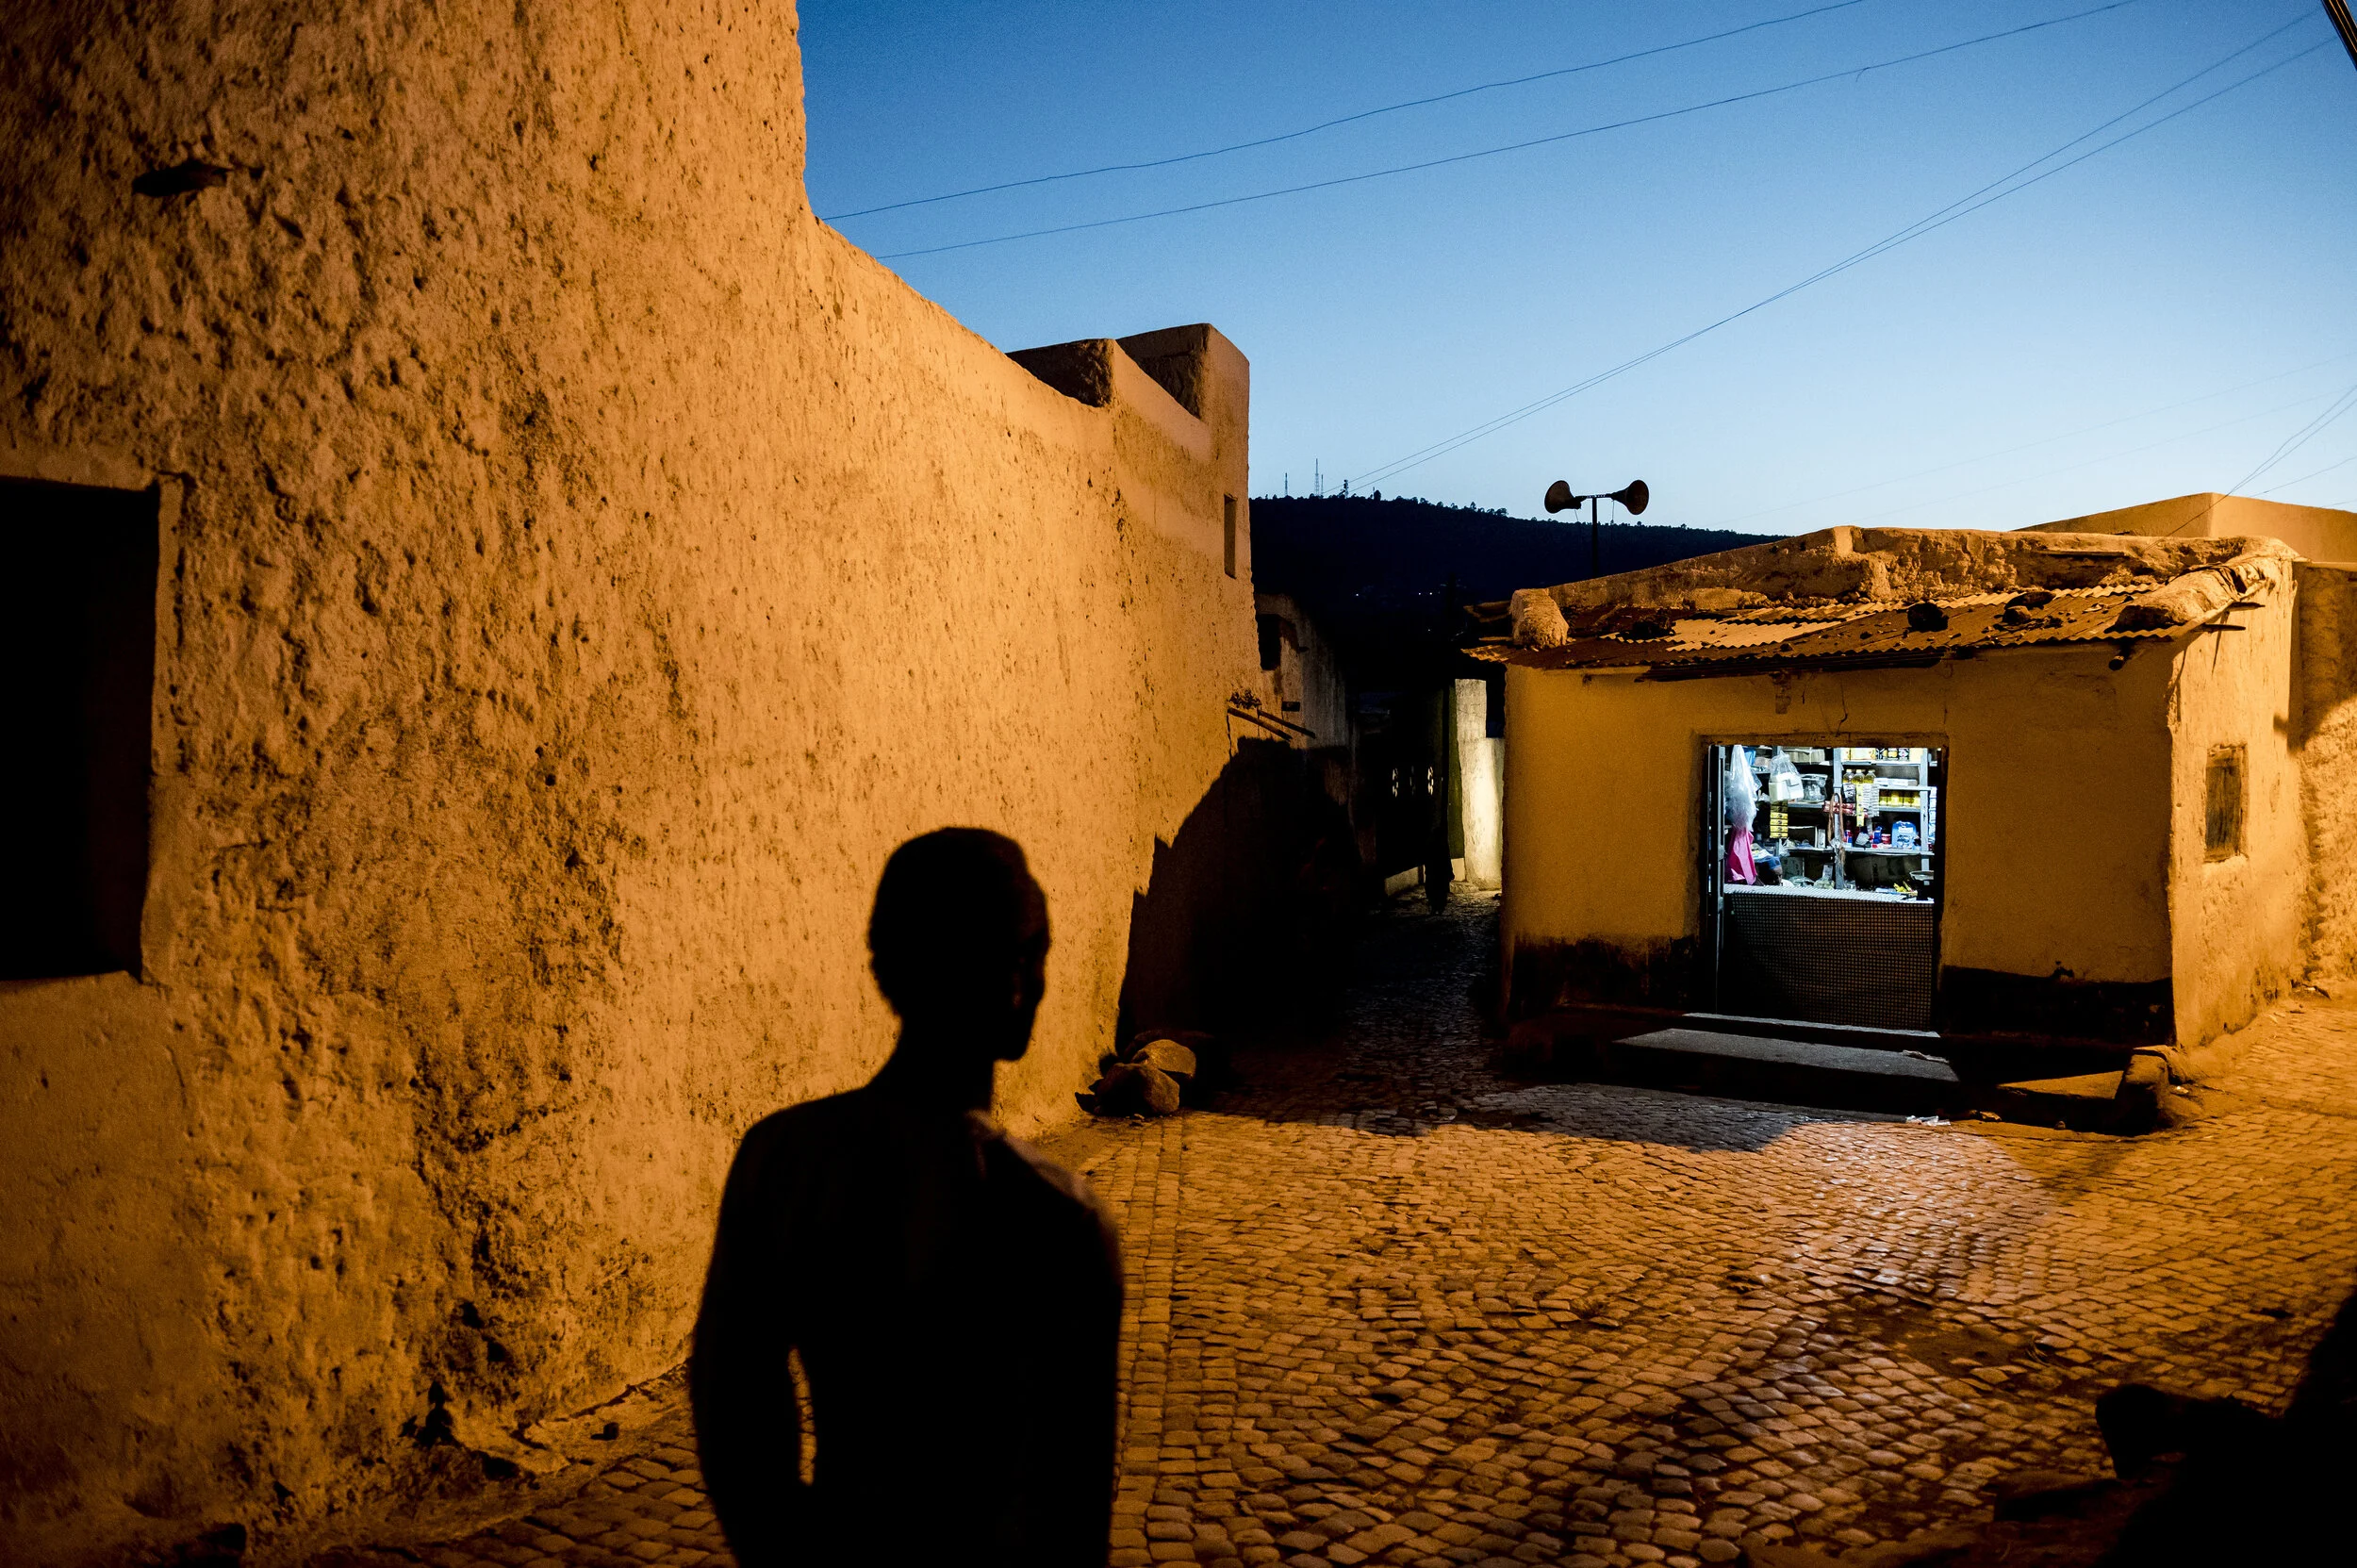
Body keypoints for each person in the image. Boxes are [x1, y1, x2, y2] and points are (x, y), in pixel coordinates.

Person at [689, 829, 1124, 1567]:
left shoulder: (783, 1159)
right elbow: (1069, 1504)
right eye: (1036, 956)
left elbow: (733, 1402)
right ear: (1016, 976)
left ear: (885, 965)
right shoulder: (1058, 1218)